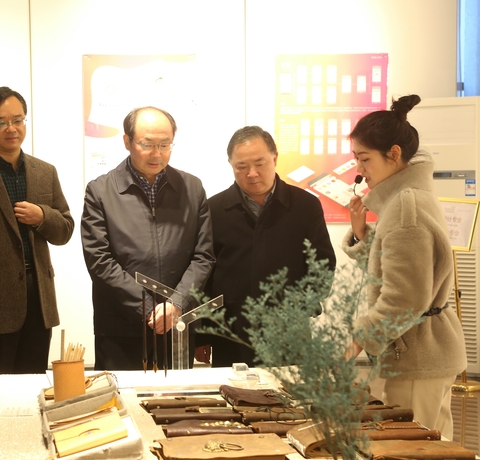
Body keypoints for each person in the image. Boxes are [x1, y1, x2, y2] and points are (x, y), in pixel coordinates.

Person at [343, 95, 466, 440]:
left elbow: (405, 298)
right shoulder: (408, 198)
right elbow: (397, 271)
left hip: (417, 356)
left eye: (365, 158)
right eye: (356, 158)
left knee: (410, 447)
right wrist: (363, 235)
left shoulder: (405, 207)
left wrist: (359, 338)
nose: (360, 170)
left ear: (394, 153)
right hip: (423, 353)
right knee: (436, 444)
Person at [81, 106, 215, 370]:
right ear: (127, 141)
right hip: (121, 326)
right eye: (147, 144)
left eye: (165, 144)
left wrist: (176, 303)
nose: (157, 153)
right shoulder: (100, 191)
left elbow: (204, 256)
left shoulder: (192, 188)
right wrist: (148, 308)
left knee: (177, 395)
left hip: (177, 324)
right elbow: (99, 260)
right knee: (120, 395)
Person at [0, 86, 74, 374]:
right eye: (1, 122)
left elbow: (65, 230)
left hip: (39, 298)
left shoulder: (45, 171)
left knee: (33, 382)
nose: (11, 128)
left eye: (18, 120)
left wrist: (42, 216)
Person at [204, 126, 336, 368]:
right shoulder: (214, 209)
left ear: (275, 158)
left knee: (288, 391)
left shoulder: (305, 205)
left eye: (260, 163)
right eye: (241, 166)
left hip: (289, 333)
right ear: (230, 164)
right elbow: (205, 273)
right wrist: (203, 334)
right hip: (231, 333)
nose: (252, 173)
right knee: (231, 391)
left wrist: (300, 308)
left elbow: (322, 265)